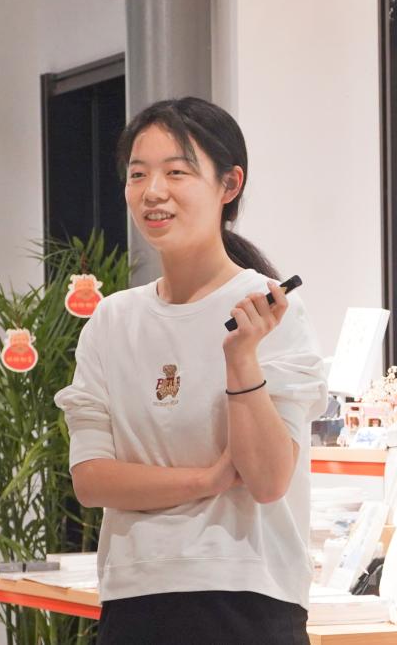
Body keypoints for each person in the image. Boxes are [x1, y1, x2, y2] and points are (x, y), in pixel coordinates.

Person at [55, 97, 327, 644]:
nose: (153, 192)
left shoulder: (269, 310)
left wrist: (241, 359)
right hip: (134, 600)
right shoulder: (112, 321)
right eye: (138, 174)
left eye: (176, 172)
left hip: (249, 602)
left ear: (229, 185)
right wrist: (207, 480)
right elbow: (91, 479)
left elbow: (268, 479)